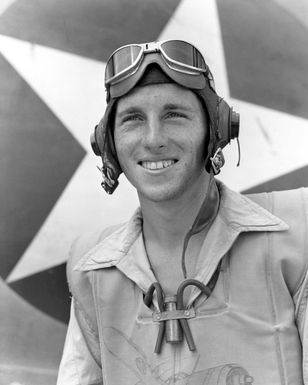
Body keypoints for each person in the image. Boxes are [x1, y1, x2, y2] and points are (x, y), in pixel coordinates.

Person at [57, 40, 308, 385]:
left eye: (175, 115)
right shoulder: (92, 269)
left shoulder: (297, 232)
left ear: (216, 129)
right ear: (107, 143)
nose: (154, 138)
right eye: (133, 119)